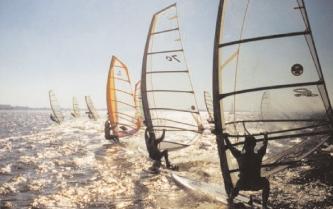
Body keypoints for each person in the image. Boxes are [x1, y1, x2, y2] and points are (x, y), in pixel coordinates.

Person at [224, 133, 270, 209]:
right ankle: (264, 205)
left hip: (243, 184)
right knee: (266, 183)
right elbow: (264, 145)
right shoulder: (258, 156)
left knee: (238, 184)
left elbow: (230, 147)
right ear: (254, 145)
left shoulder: (239, 155)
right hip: (255, 184)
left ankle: (231, 198)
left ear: (245, 145)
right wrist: (265, 136)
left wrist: (226, 138)